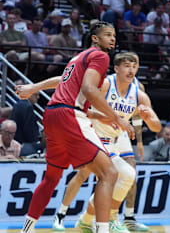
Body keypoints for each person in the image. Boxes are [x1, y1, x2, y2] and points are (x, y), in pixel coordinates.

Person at [15, 21, 134, 233]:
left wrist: (35, 86)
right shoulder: (100, 56)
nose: (113, 38)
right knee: (109, 173)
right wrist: (117, 117)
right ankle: (102, 229)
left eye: (114, 35)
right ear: (95, 38)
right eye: (108, 34)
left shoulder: (79, 57)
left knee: (51, 178)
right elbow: (88, 90)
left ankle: (26, 229)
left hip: (52, 115)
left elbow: (63, 81)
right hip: (69, 115)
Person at [37, 52, 161, 232]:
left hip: (115, 138)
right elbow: (66, 80)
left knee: (123, 175)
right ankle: (86, 216)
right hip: (92, 136)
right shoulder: (105, 84)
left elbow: (157, 128)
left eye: (134, 66)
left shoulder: (139, 94)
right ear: (116, 68)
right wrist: (35, 88)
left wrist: (149, 118)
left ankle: (90, 219)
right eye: (127, 65)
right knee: (109, 175)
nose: (131, 70)